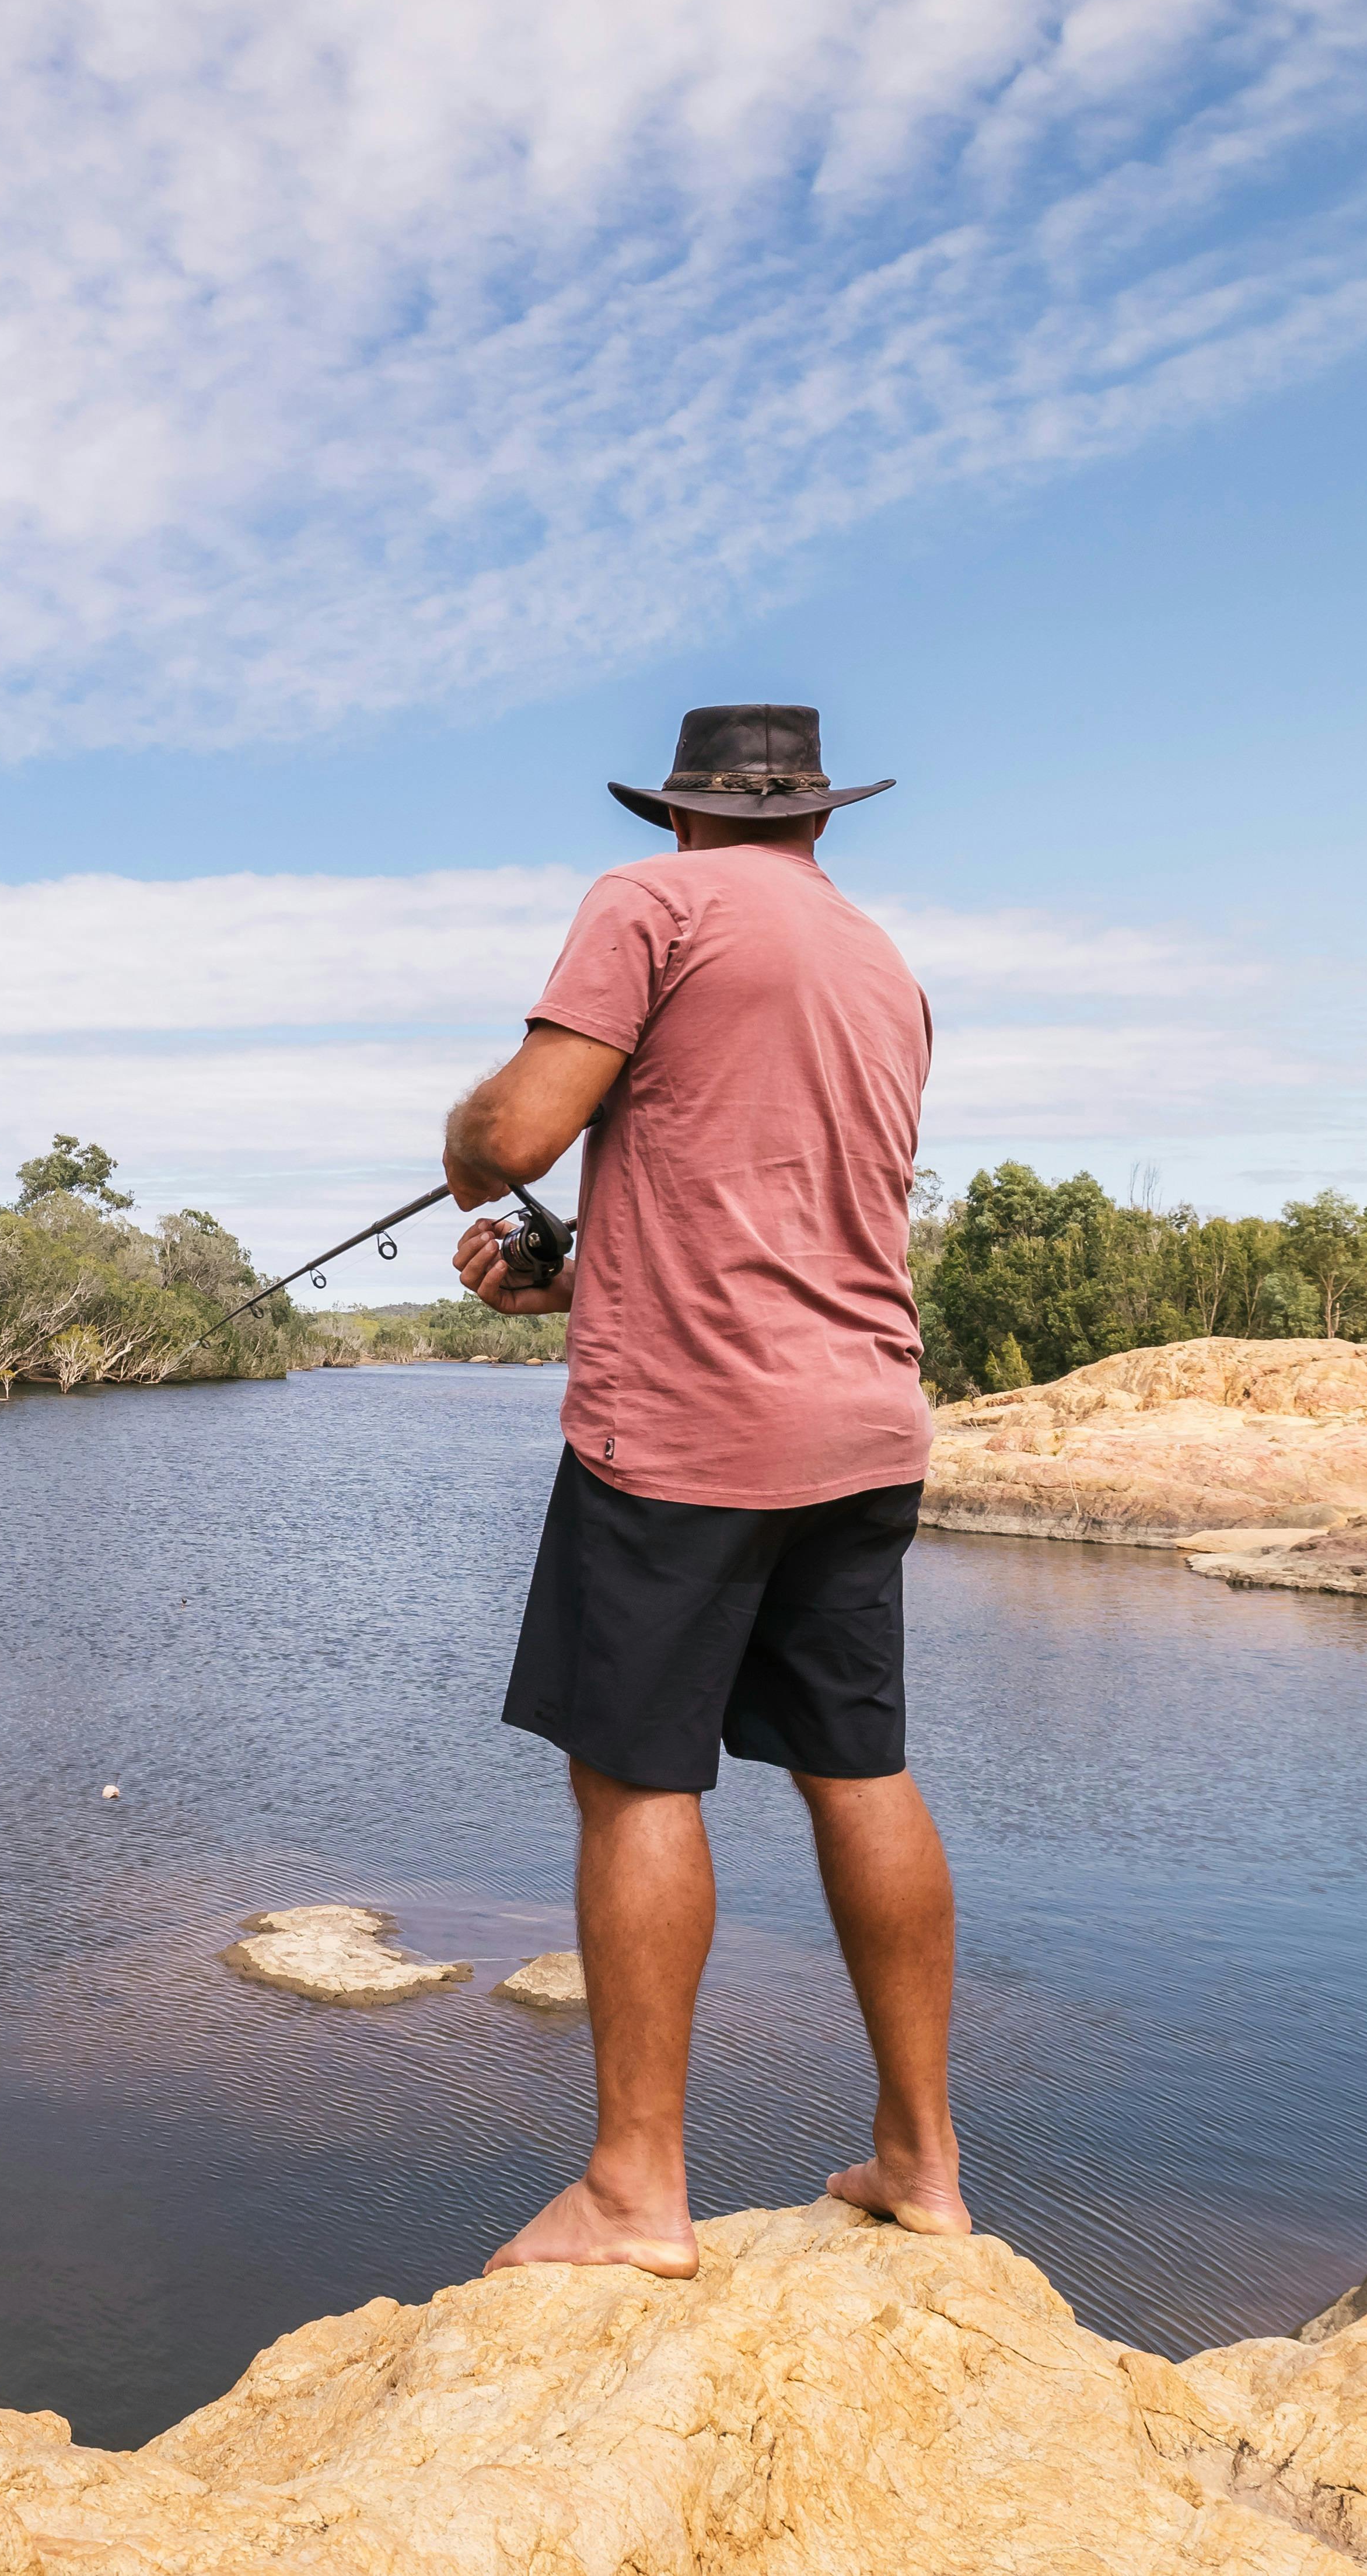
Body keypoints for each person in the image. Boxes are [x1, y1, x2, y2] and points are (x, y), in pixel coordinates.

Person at [439, 701, 967, 2278]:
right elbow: (771, 1195)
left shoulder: (645, 902)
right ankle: (920, 2159)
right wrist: (581, 1271)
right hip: (861, 1421)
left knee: (634, 1777)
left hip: (681, 1434)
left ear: (677, 814)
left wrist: (467, 1145)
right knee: (855, 1763)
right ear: (816, 817)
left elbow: (518, 1129)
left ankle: (631, 2190)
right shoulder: (883, 965)